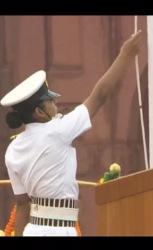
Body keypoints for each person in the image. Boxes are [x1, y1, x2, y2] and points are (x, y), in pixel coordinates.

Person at [0, 30, 142, 236]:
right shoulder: (58, 130)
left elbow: (22, 205)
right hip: (59, 232)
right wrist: (125, 55)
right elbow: (100, 95)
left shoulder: (13, 148)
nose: (55, 102)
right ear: (39, 112)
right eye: (50, 101)